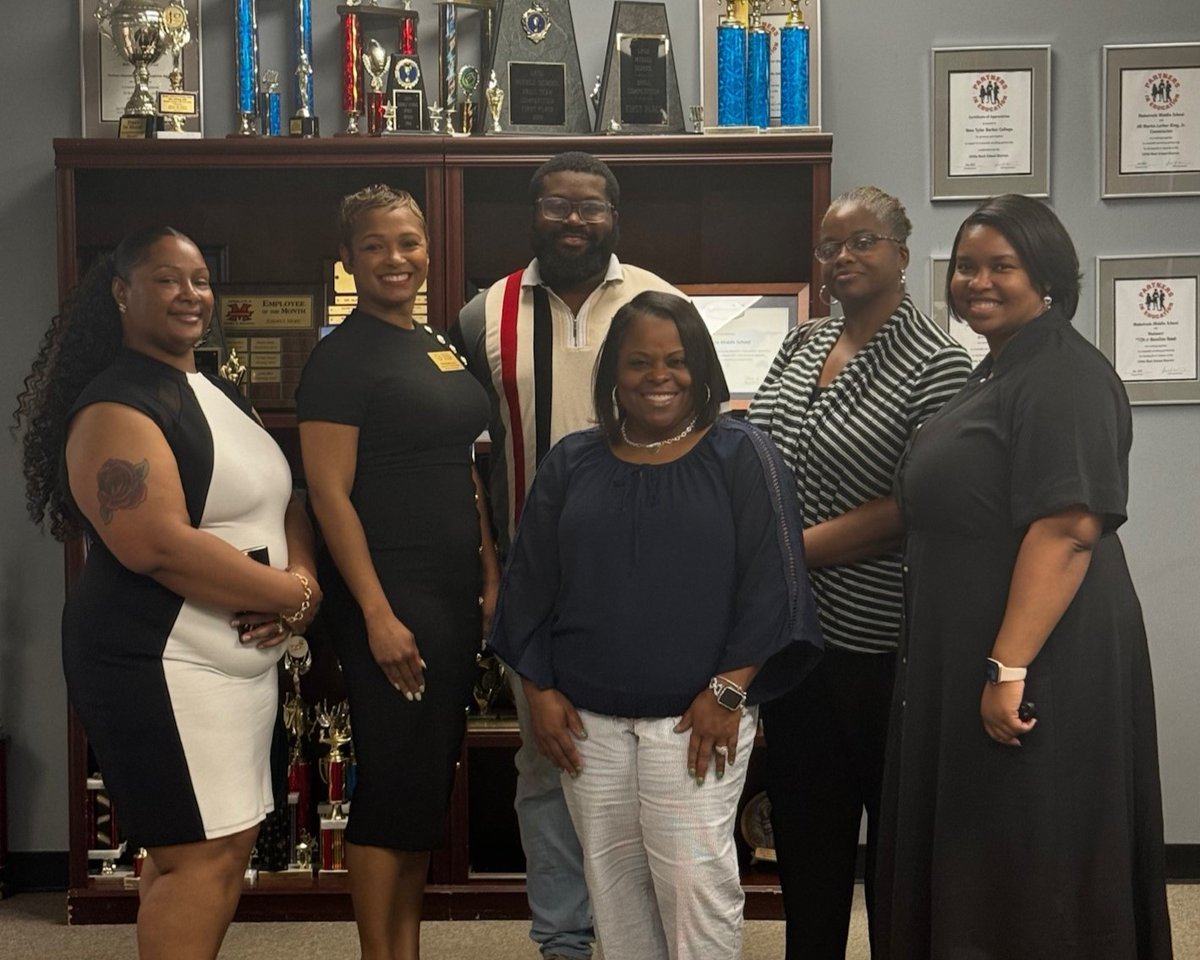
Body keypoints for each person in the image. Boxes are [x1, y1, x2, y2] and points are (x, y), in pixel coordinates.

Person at [874, 194, 1174, 959]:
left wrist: (1008, 666)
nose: (979, 281)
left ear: (1046, 276)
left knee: (1031, 845)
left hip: (1040, 661)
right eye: (968, 266)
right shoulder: (998, 368)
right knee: (991, 846)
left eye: (1001, 266)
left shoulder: (1064, 374)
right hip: (984, 649)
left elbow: (1069, 529)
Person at [14, 226, 321, 960]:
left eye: (200, 281)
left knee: (215, 848)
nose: (191, 294)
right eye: (167, 279)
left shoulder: (215, 386)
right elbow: (156, 543)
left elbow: (289, 504)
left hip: (230, 669)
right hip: (157, 662)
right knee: (196, 860)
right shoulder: (114, 406)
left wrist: (301, 591)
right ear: (121, 293)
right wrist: (284, 593)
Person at [489, 291, 823, 960]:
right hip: (588, 722)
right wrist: (539, 689)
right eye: (639, 361)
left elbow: (774, 587)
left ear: (702, 368)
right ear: (613, 371)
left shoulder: (742, 454)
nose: (658, 376)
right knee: (612, 890)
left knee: (694, 888)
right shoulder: (571, 461)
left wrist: (728, 695)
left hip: (695, 721)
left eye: (676, 360)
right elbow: (528, 582)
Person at [451, 151, 678, 960]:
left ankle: (644, 933)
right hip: (533, 580)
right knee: (548, 765)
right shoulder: (486, 313)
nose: (575, 220)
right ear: (533, 212)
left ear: (615, 216)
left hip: (650, 584)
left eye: (591, 207)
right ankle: (564, 941)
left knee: (653, 761)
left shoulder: (661, 300)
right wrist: (488, 570)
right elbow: (465, 459)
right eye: (557, 205)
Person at [747, 186, 972, 959]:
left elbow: (912, 506)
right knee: (807, 835)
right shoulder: (802, 344)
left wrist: (783, 552)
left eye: (862, 242)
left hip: (883, 645)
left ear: (903, 254)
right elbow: (760, 451)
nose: (842, 258)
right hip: (795, 640)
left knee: (896, 850)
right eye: (829, 246)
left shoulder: (939, 363)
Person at [296, 185, 496, 960]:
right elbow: (328, 496)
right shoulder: (340, 359)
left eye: (408, 242)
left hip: (448, 590)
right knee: (392, 785)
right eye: (375, 245)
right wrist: (375, 614)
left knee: (421, 787)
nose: (395, 258)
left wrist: (487, 570)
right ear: (348, 259)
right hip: (391, 592)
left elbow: (461, 466)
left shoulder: (434, 343)